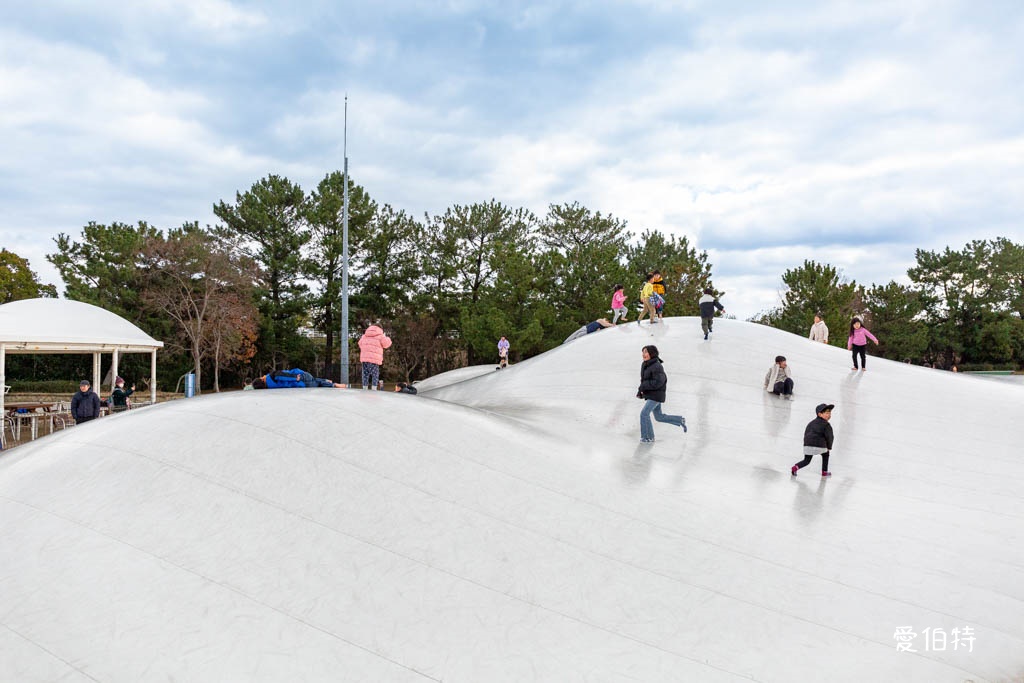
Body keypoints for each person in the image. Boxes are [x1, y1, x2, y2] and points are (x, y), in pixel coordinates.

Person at [636, 345, 687, 442]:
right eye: (643, 352)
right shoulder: (645, 364)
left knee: (644, 414)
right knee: (659, 417)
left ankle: (648, 437)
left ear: (652, 353)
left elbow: (659, 382)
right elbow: (643, 381)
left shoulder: (657, 366)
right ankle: (680, 420)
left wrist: (645, 386)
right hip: (652, 393)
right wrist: (640, 390)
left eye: (646, 352)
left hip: (656, 395)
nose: (643, 354)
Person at [792, 403, 834, 477]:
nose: (829, 415)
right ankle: (824, 471)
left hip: (808, 445)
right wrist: (829, 447)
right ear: (820, 414)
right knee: (826, 454)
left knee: (807, 460)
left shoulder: (810, 423)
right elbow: (830, 437)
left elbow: (806, 434)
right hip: (820, 446)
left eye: (830, 413)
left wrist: (806, 444)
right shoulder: (826, 425)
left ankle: (795, 467)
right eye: (827, 413)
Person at [358, 324, 393, 389]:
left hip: (364, 358)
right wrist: (386, 337)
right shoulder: (381, 336)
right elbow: (386, 344)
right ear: (380, 329)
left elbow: (360, 344)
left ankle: (364, 388)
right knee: (375, 374)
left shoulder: (364, 336)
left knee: (365, 374)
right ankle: (374, 388)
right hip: (374, 359)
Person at [251, 369, 345, 389]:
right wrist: (295, 377)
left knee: (316, 382)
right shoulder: (272, 376)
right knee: (315, 380)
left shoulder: (270, 387)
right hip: (300, 378)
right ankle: (332, 384)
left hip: (300, 385)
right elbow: (282, 376)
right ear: (262, 380)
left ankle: (328, 382)